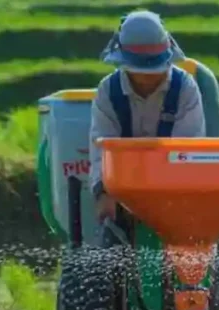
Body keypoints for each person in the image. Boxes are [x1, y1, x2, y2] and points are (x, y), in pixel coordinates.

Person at [88, 10, 206, 246]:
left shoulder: (185, 89)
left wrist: (167, 203)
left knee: (191, 243)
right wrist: (104, 192)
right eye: (140, 72)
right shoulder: (108, 92)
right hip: (121, 189)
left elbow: (188, 149)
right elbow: (101, 145)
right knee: (108, 248)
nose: (148, 78)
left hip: (175, 190)